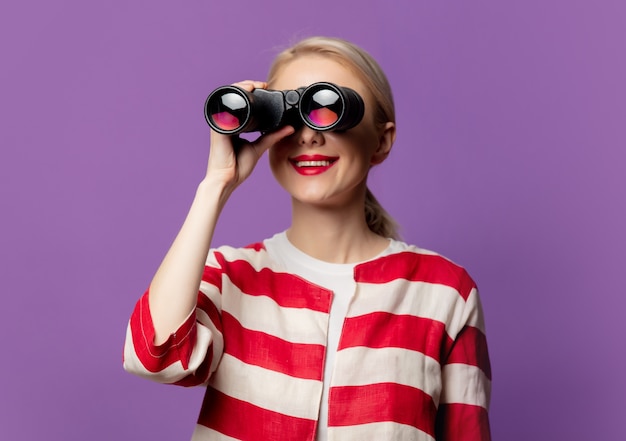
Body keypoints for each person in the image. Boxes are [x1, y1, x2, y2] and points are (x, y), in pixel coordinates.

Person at [123, 36, 492, 441]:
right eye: (288, 115)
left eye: (328, 109)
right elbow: (154, 356)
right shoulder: (230, 276)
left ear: (381, 141)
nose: (307, 136)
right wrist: (215, 185)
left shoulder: (444, 291)